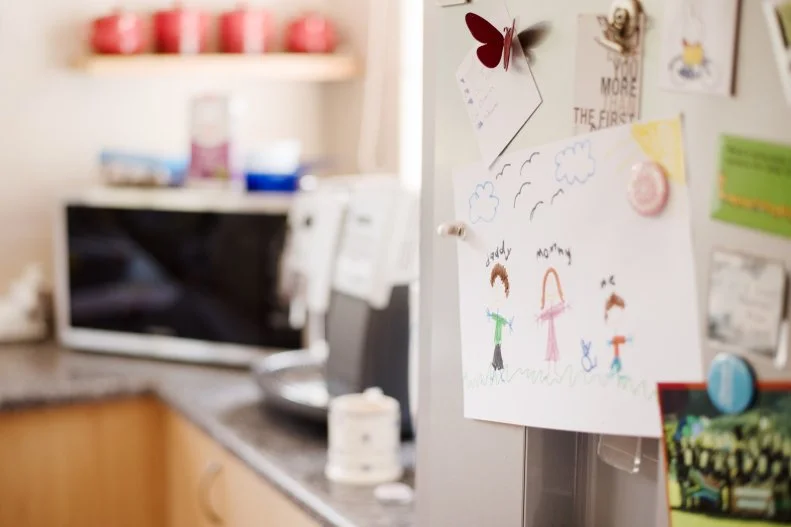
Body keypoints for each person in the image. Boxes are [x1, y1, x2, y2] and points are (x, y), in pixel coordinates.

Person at [486, 263, 513, 371]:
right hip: (497, 340)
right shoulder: (496, 312)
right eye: (495, 289)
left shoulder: (502, 311)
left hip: (499, 340)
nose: (497, 294)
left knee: (497, 351)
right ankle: (497, 366)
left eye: (500, 289)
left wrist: (506, 322)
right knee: (497, 350)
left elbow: (502, 320)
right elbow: (496, 318)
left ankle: (498, 366)